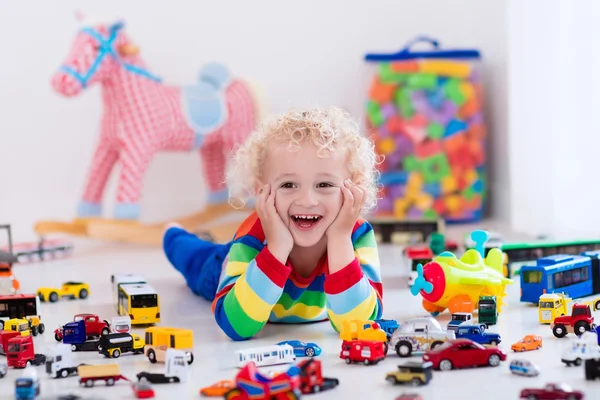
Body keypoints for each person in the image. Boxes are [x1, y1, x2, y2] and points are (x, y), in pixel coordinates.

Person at [163, 106, 384, 341]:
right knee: (196, 259)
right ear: (261, 192)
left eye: (324, 185)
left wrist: (340, 239)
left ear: (355, 188)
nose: (307, 201)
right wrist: (276, 247)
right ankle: (173, 233)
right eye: (288, 185)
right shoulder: (253, 236)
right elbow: (236, 327)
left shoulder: (356, 235)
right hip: (236, 276)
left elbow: (361, 325)